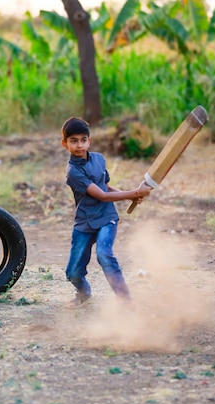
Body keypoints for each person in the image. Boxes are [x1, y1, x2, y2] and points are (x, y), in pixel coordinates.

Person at [60, 116, 152, 305]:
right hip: (84, 222)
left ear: (89, 140)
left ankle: (126, 301)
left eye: (83, 140)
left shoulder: (99, 160)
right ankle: (83, 292)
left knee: (104, 254)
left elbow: (107, 188)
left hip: (106, 217)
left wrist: (132, 195)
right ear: (65, 143)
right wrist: (133, 192)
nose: (79, 145)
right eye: (73, 141)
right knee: (73, 273)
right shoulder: (73, 172)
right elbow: (101, 195)